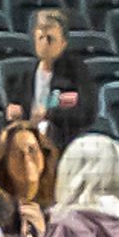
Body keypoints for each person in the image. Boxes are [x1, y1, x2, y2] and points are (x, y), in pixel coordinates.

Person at [19, 8, 94, 147]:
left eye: (50, 39)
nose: (44, 43)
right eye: (40, 37)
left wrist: (49, 113)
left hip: (62, 143)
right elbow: (17, 107)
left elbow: (86, 112)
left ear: (63, 43)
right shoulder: (26, 74)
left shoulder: (76, 71)